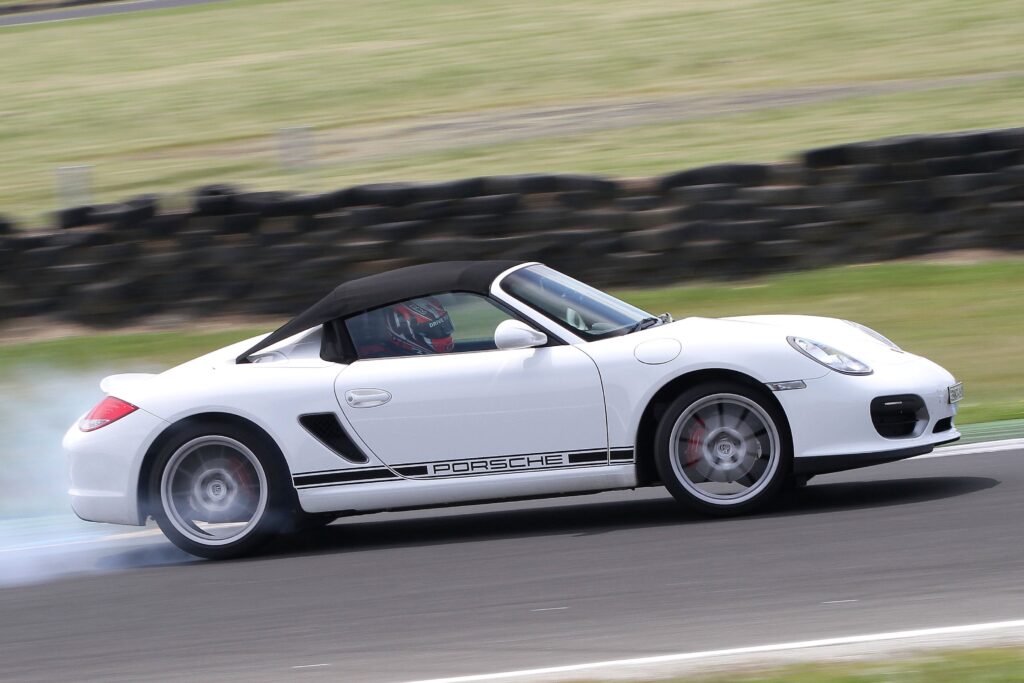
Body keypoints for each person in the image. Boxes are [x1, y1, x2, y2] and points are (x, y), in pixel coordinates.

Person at [356, 297, 455, 358]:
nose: (443, 333)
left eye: (443, 326)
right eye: (434, 330)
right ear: (404, 331)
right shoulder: (380, 360)